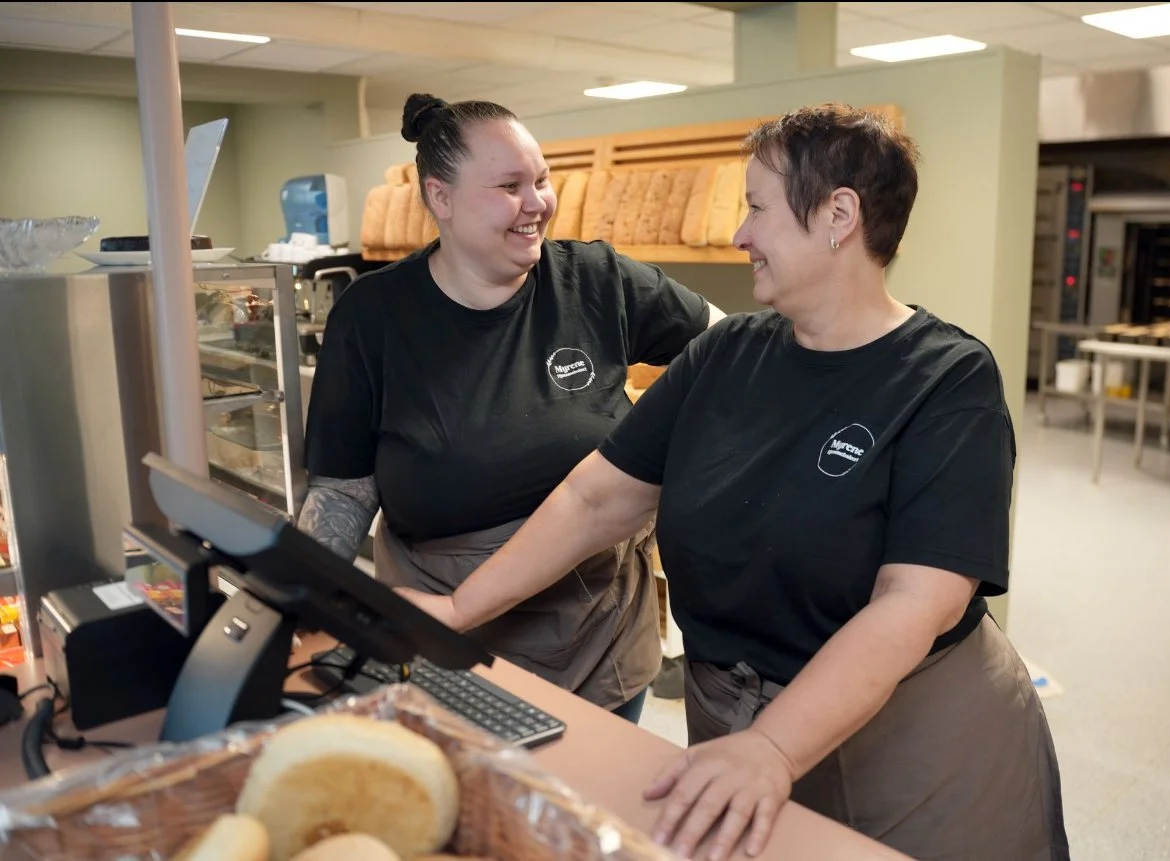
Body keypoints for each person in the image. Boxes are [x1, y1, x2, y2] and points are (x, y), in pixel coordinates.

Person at [400, 103, 1070, 861]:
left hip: (912, 743)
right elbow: (597, 498)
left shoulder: (947, 379)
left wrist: (777, 747)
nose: (739, 232)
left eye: (757, 207)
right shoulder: (726, 354)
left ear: (838, 216)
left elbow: (913, 604)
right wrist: (457, 606)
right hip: (732, 727)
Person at [297, 93, 724, 724]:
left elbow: (730, 350)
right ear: (439, 198)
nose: (537, 203)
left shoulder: (598, 280)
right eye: (509, 185)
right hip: (441, 633)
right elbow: (343, 492)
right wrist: (300, 605)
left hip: (593, 636)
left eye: (542, 180)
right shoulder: (374, 316)